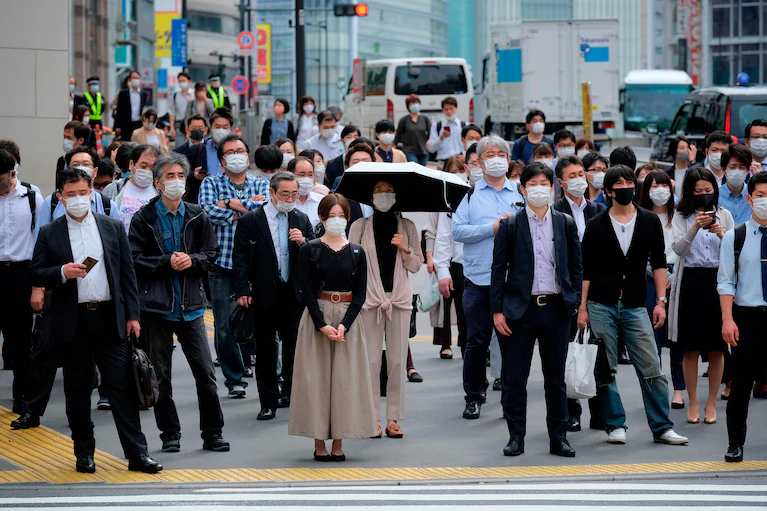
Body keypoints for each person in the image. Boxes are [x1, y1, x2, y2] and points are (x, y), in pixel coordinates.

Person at [28, 166, 162, 474]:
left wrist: (132, 315)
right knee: (77, 390)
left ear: (92, 193)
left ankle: (137, 454)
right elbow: (35, 272)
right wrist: (62, 272)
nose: (78, 199)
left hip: (108, 316)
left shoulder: (112, 226)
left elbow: (127, 273)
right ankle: (83, 454)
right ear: (60, 198)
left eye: (83, 193)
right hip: (71, 321)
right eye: (71, 195)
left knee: (122, 388)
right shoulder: (50, 232)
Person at [578, 165, 689, 446]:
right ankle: (615, 424)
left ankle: (662, 425)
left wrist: (661, 301)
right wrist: (582, 308)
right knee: (606, 366)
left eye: (630, 181)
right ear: (608, 191)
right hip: (601, 304)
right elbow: (586, 271)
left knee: (651, 365)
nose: (626, 187)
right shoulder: (596, 225)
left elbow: (659, 263)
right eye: (619, 183)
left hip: (636, 303)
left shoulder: (649, 221)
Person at [128, 152, 228, 453]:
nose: (175, 182)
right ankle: (169, 433)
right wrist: (165, 262)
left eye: (179, 176)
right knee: (160, 377)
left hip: (192, 307)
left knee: (206, 375)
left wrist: (192, 260)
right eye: (169, 177)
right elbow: (134, 259)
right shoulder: (144, 218)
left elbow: (211, 253)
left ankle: (213, 432)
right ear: (158, 183)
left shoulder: (197, 214)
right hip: (156, 309)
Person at [491, 161, 582, 457]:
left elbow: (576, 266)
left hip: (556, 309)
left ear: (553, 188)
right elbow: (498, 270)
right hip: (521, 311)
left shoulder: (565, 222)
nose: (539, 189)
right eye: (533, 184)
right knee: (515, 377)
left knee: (555, 379)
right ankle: (516, 436)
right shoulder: (510, 224)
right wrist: (498, 311)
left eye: (544, 183)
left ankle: (559, 437)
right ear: (523, 189)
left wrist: (575, 301)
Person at [288, 193, 377, 461]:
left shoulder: (358, 251)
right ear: (322, 218)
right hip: (318, 314)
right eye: (331, 216)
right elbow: (305, 290)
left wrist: (345, 326)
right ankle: (319, 444)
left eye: (341, 216)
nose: (336, 221)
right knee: (316, 380)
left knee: (345, 381)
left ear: (348, 218)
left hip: (349, 318)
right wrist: (322, 325)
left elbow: (361, 293)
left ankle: (339, 443)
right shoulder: (309, 249)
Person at [452, 135, 525, 420]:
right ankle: (473, 395)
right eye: (489, 154)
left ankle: (510, 395)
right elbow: (458, 232)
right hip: (479, 279)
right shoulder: (468, 194)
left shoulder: (520, 192)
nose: (496, 158)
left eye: (501, 154)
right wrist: (491, 227)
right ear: (480, 162)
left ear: (508, 160)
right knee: (476, 341)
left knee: (512, 342)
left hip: (513, 279)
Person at [232, 171, 314, 419]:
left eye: (293, 194)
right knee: (266, 349)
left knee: (294, 347)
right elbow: (240, 258)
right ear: (272, 193)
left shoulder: (300, 217)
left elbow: (315, 251)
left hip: (293, 292)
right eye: (284, 194)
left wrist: (305, 242)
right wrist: (242, 290)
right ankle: (268, 401)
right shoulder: (252, 220)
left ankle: (289, 392)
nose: (289, 199)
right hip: (264, 292)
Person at [348, 172, 423, 439]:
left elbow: (416, 266)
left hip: (400, 300)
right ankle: (371, 419)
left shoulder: (408, 226)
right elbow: (352, 264)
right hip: (370, 301)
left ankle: (393, 418)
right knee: (369, 362)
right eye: (379, 190)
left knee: (396, 361)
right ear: (371, 197)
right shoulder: (359, 225)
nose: (384, 194)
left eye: (389, 189)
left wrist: (406, 249)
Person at [199, 134, 270, 399]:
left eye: (241, 150)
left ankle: (271, 374)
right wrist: (245, 209)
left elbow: (263, 212)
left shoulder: (260, 182)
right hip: (221, 264)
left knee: (263, 322)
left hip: (255, 265)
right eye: (230, 152)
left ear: (248, 156)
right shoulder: (210, 182)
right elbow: (206, 212)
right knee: (224, 325)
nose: (236, 155)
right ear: (221, 160)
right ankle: (235, 377)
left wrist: (228, 204)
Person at [670, 167, 733, 425]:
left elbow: (733, 250)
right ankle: (693, 400)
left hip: (717, 282)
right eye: (699, 192)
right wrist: (694, 227)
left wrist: (721, 233)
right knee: (691, 348)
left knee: (717, 347)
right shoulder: (681, 216)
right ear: (690, 193)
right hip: (691, 281)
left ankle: (710, 403)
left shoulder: (725, 215)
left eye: (708, 191)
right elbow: (677, 249)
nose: (704, 196)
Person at [553, 154, 606, 431]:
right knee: (569, 352)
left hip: (596, 289)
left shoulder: (598, 210)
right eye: (571, 176)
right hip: (568, 290)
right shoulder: (555, 211)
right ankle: (572, 411)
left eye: (580, 174)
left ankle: (599, 411)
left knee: (598, 351)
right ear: (561, 182)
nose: (578, 179)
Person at [717, 171, 767, 462]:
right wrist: (727, 319)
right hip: (746, 318)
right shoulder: (735, 237)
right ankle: (736, 443)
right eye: (760, 195)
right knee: (741, 387)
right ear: (750, 198)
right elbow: (725, 281)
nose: (765, 201)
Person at [637, 171, 686, 409]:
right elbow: (640, 253)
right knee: (652, 340)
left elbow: (685, 246)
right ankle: (656, 391)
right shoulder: (640, 216)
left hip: (677, 277)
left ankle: (679, 389)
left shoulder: (679, 214)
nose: (660, 190)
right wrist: (660, 276)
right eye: (654, 185)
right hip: (649, 278)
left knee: (677, 338)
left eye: (664, 185)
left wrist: (671, 276)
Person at [0, 148, 43, 418]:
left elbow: (40, 240)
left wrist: (38, 284)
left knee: (21, 341)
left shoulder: (31, 197)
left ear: (12, 172)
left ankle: (24, 401)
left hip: (21, 273)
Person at [432, 155, 468, 359]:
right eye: (453, 172)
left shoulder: (473, 195)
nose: (458, 176)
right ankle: (445, 343)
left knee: (466, 309)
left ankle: (465, 342)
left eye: (460, 171)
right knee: (445, 304)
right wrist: (434, 259)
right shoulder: (443, 196)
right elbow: (435, 231)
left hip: (466, 261)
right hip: (448, 259)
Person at [41, 146, 120, 229]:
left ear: (95, 171)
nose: (81, 168)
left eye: (86, 164)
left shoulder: (108, 206)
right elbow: (40, 237)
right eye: (75, 165)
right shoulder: (51, 203)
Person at [102, 144, 160, 234]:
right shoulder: (113, 190)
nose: (148, 171)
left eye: (152, 168)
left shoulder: (161, 192)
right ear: (131, 164)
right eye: (143, 166)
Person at [175, 115, 209, 203]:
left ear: (206, 130)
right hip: (187, 196)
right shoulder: (178, 152)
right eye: (194, 128)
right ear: (187, 130)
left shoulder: (211, 149)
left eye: (200, 128)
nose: (197, 130)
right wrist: (193, 175)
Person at [719, 144, 754, 227]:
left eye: (741, 167)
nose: (737, 172)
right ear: (724, 170)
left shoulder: (753, 195)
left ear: (748, 170)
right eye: (732, 167)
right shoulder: (715, 195)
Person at [287, 156, 323, 230]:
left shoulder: (322, 201)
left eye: (310, 175)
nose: (307, 179)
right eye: (302, 175)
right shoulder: (283, 202)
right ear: (290, 175)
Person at [395, 94, 431, 166]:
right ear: (408, 106)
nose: (415, 105)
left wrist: (429, 141)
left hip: (423, 150)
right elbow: (398, 135)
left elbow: (431, 133)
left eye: (417, 103)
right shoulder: (404, 120)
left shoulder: (425, 119)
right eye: (412, 103)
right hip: (409, 150)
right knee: (415, 166)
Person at [199, 108, 235, 179]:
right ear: (210, 127)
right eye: (217, 127)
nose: (221, 131)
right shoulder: (201, 148)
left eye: (225, 127)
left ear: (230, 128)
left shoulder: (236, 150)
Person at [427, 97, 465, 163]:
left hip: (459, 161)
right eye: (446, 109)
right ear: (443, 110)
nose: (449, 112)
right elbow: (431, 149)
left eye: (451, 109)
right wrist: (441, 138)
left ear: (456, 108)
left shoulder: (463, 125)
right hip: (443, 162)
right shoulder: (437, 126)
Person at [114, 70, 147, 141]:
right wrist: (117, 126)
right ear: (129, 79)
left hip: (138, 123)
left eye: (138, 78)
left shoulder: (143, 94)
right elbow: (119, 110)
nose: (136, 80)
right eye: (134, 78)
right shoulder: (123, 93)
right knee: (127, 144)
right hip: (126, 124)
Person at [667, 136, 697, 201]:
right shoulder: (668, 173)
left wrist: (693, 162)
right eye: (682, 148)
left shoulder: (694, 169)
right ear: (675, 151)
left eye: (687, 148)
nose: (686, 151)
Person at [168, 72, 194, 141]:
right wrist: (172, 127)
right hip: (179, 124)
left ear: (189, 81)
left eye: (183, 81)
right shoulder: (176, 95)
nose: (181, 83)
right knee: (179, 146)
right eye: (180, 81)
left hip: (193, 124)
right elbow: (172, 112)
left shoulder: (194, 94)